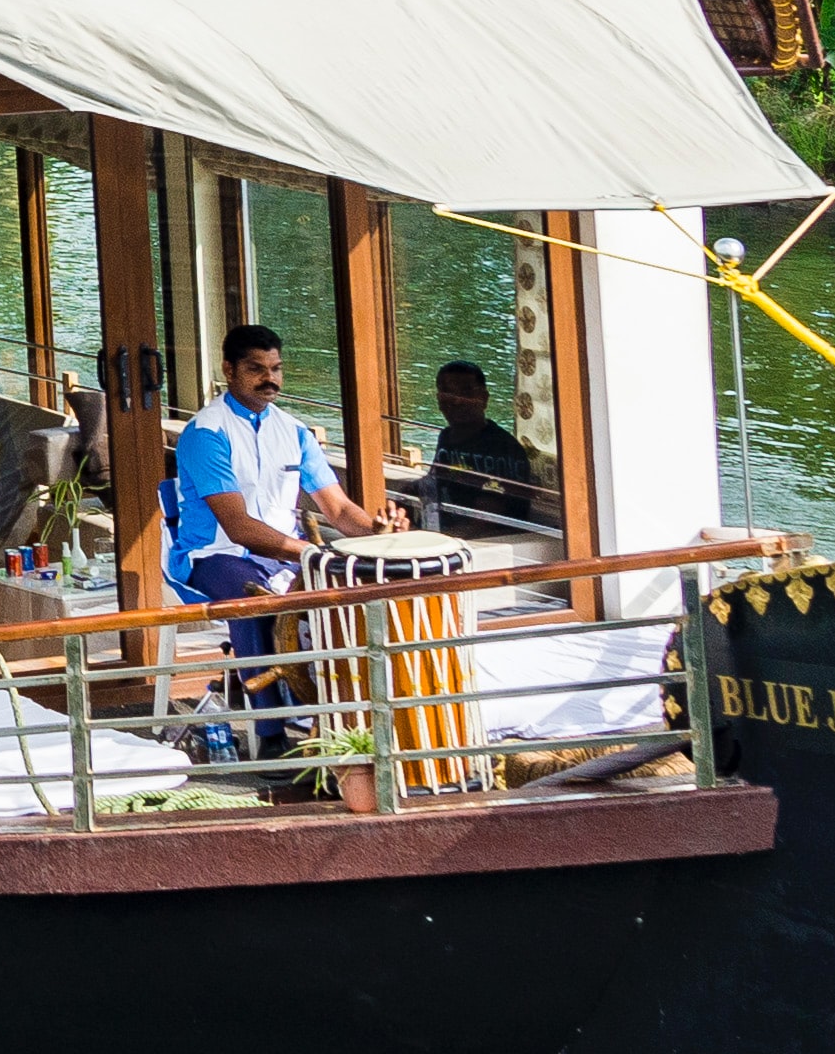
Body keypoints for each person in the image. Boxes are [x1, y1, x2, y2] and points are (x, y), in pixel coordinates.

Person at [165, 323, 381, 763]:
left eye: (277, 369)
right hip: (214, 555)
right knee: (256, 603)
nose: (271, 379)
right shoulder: (206, 434)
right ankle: (270, 736)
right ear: (229, 370)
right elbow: (239, 527)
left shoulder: (296, 431)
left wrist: (380, 532)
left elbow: (338, 510)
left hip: (283, 554)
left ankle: (339, 722)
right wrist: (309, 553)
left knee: (345, 600)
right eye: (256, 369)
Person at [424, 360, 559, 536]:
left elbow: (486, 520)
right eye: (447, 394)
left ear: (484, 398)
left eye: (465, 393)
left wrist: (438, 539)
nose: (456, 401)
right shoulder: (447, 437)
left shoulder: (504, 448)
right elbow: (433, 482)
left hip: (499, 544)